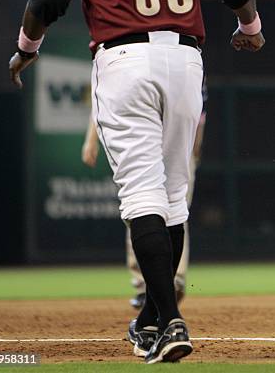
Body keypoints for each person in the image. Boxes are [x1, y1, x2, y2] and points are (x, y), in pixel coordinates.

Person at [9, 0, 265, 363]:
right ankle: (152, 317)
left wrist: (26, 49)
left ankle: (170, 320)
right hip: (186, 63)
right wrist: (252, 25)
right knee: (173, 198)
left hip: (125, 59)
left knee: (142, 197)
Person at [81, 78, 208, 309]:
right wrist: (91, 138)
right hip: (145, 136)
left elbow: (199, 111)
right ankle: (145, 284)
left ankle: (173, 281)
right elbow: (106, 93)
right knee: (142, 207)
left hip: (174, 138)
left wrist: (195, 147)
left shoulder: (186, 52)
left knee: (167, 208)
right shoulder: (135, 50)